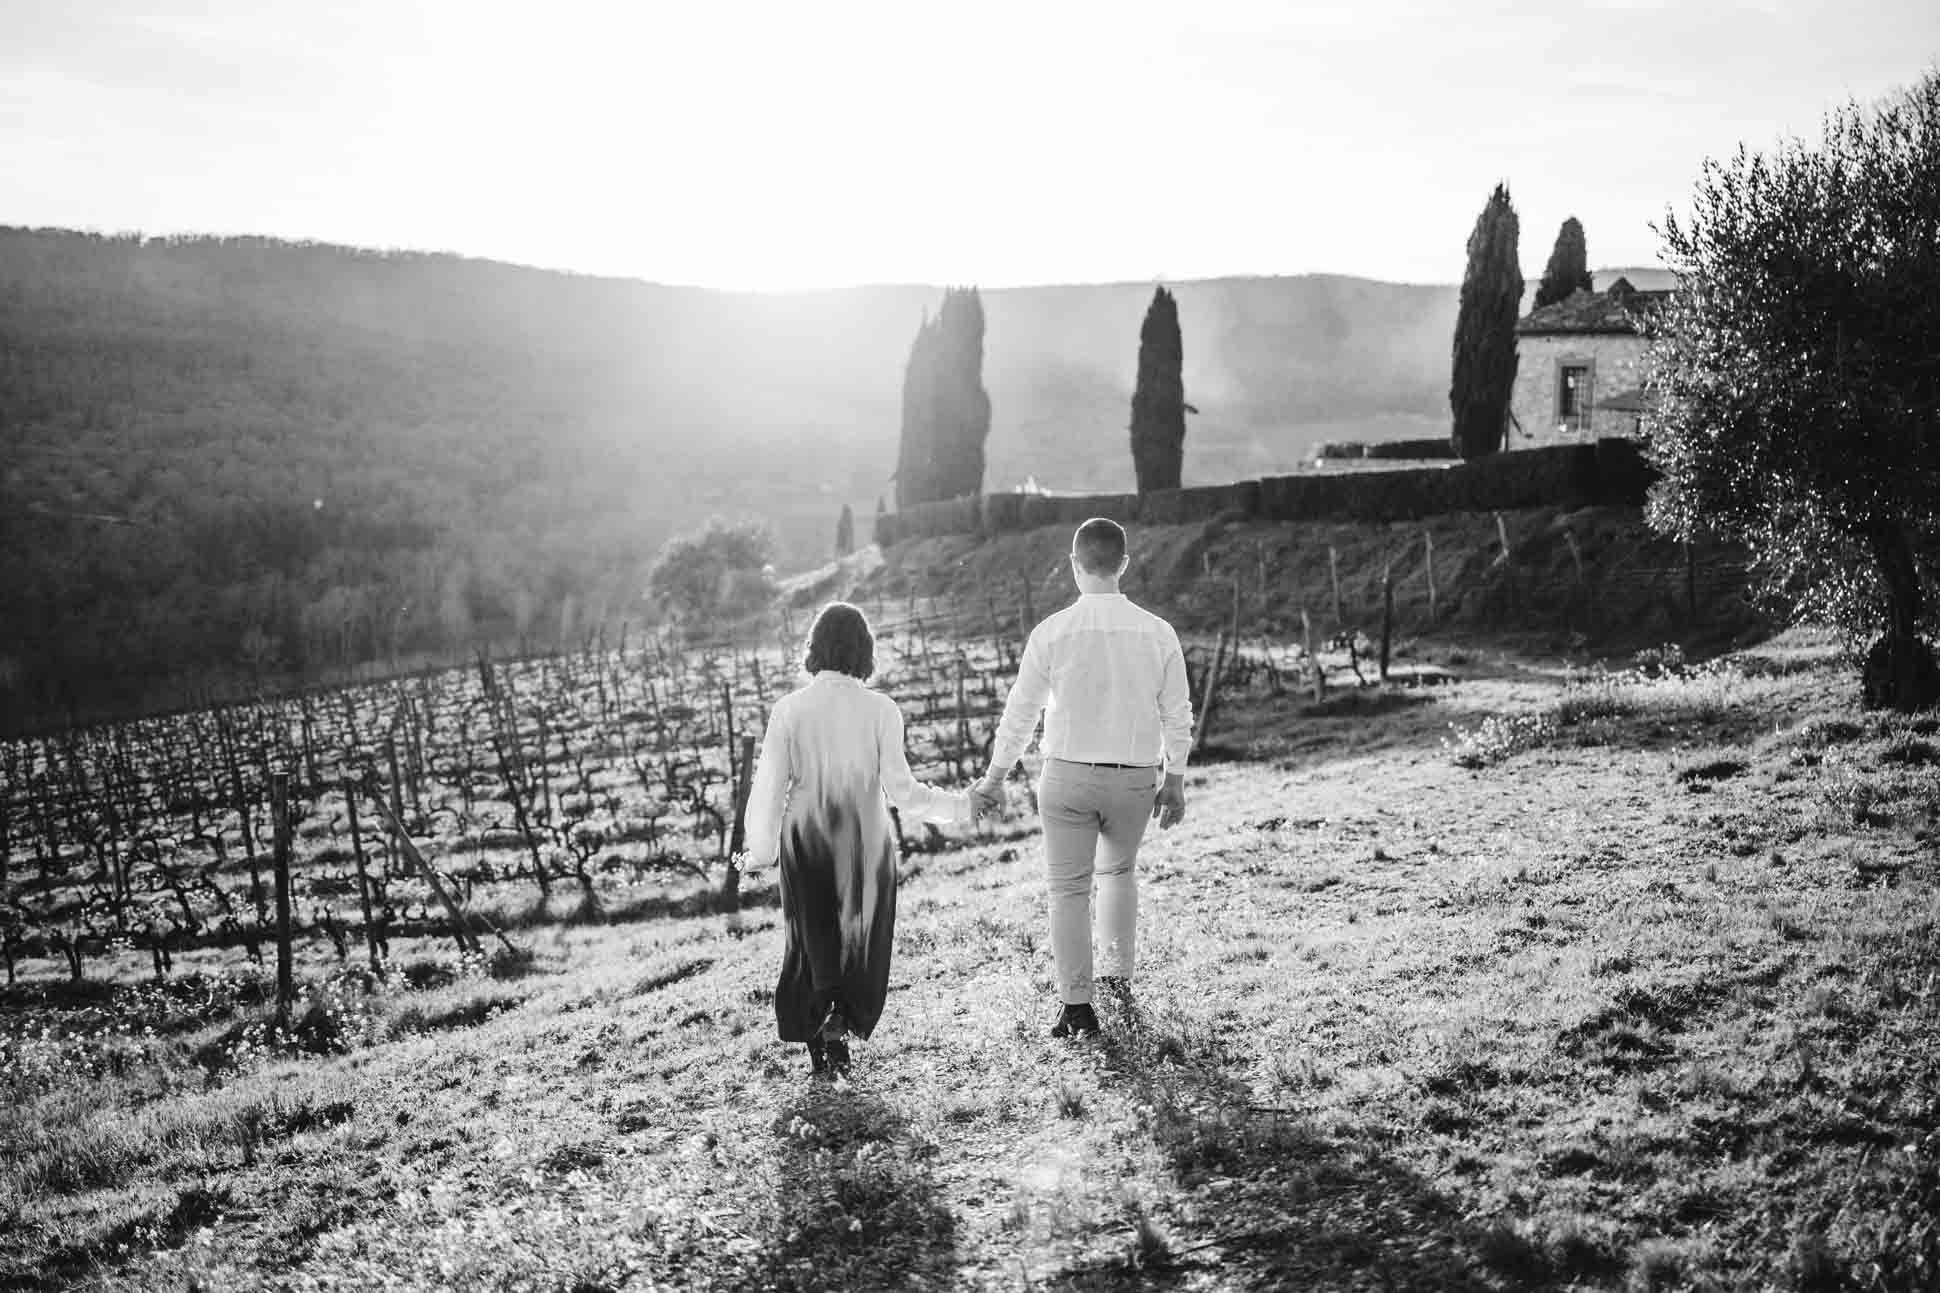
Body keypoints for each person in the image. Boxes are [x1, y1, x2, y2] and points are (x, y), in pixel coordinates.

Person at [972, 518, 1193, 1037]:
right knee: (1117, 873)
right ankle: (1117, 981)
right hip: (1135, 778)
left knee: (1067, 890)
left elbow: (1021, 714)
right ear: (1123, 564)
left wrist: (994, 777)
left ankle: (1077, 1008)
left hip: (1066, 778)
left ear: (1075, 566)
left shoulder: (1050, 633)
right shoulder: (1158, 631)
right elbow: (1177, 713)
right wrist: (1176, 777)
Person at [745, 602, 974, 1077]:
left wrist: (759, 853)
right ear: (865, 650)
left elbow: (768, 788)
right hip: (866, 841)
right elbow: (904, 791)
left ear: (814, 647)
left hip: (804, 836)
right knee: (862, 936)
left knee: (811, 938)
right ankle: (842, 1020)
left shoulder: (789, 710)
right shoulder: (882, 709)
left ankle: (819, 1043)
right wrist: (961, 806)